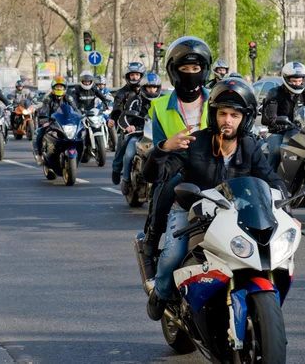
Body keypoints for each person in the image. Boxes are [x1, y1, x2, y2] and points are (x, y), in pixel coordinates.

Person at [143, 78, 287, 320]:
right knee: (172, 256)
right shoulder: (195, 143)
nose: (227, 120)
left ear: (245, 119)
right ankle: (161, 292)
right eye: (222, 113)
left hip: (233, 213)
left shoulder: (250, 146)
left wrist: (287, 211)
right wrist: (164, 148)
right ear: (214, 115)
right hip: (191, 211)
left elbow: (271, 179)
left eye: (234, 115)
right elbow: (155, 175)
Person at [141, 36, 212, 275]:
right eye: (184, 68)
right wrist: (168, 145)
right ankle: (150, 245)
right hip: (177, 168)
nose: (191, 73)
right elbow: (157, 148)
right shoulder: (160, 106)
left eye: (196, 68)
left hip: (214, 165)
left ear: (204, 70)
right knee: (166, 187)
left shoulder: (217, 99)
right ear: (174, 70)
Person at [262, 61, 305, 172]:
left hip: (298, 131)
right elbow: (270, 113)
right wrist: (275, 120)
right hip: (277, 132)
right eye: (294, 81)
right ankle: (269, 178)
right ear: (286, 79)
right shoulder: (275, 93)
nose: (297, 84)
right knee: (275, 150)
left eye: (300, 81)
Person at [118, 73, 162, 195]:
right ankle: (126, 180)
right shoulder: (136, 100)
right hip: (139, 134)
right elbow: (124, 116)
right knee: (129, 154)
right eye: (149, 87)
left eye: (154, 87)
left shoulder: (162, 101)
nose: (152, 90)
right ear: (143, 87)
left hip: (158, 135)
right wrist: (129, 127)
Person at [110, 62, 146, 184]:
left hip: (145, 125)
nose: (135, 77)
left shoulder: (145, 90)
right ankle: (116, 168)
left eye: (137, 74)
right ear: (128, 76)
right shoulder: (121, 92)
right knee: (122, 144)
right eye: (132, 75)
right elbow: (116, 110)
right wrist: (112, 118)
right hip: (126, 124)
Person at [32, 75, 78, 165]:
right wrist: (45, 122)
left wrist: (80, 118)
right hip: (52, 123)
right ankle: (38, 155)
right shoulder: (48, 99)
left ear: (65, 88)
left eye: (61, 87)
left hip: (66, 123)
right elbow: (44, 110)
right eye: (57, 87)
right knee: (38, 133)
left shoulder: (69, 98)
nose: (59, 88)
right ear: (53, 88)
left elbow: (75, 110)